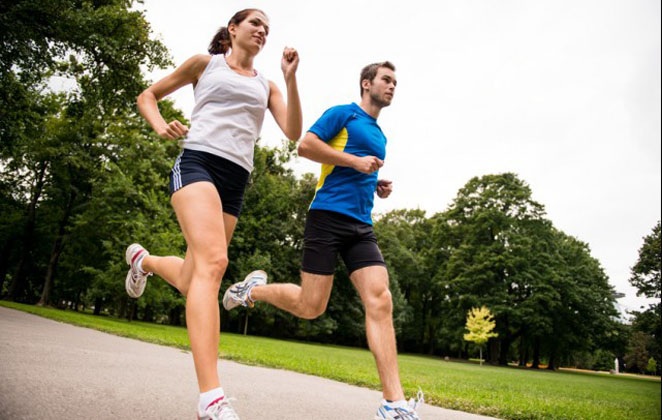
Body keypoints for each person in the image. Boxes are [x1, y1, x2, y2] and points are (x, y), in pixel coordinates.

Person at [125, 8, 301, 420]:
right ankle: (211, 398)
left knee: (193, 278)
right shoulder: (205, 65)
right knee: (215, 263)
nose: (262, 30)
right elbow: (147, 95)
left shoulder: (267, 84)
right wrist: (158, 124)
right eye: (255, 22)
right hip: (198, 162)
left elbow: (293, 132)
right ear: (234, 29)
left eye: (268, 28)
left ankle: (143, 260)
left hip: (236, 180)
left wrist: (290, 79)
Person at [223, 61, 424, 420]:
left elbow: (355, 169)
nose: (393, 86)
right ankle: (251, 291)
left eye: (396, 81)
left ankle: (393, 403)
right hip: (327, 218)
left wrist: (374, 184)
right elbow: (305, 146)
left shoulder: (380, 134)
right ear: (367, 83)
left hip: (361, 225)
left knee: (381, 299)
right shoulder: (342, 114)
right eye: (387, 80)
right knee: (310, 306)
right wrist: (354, 162)